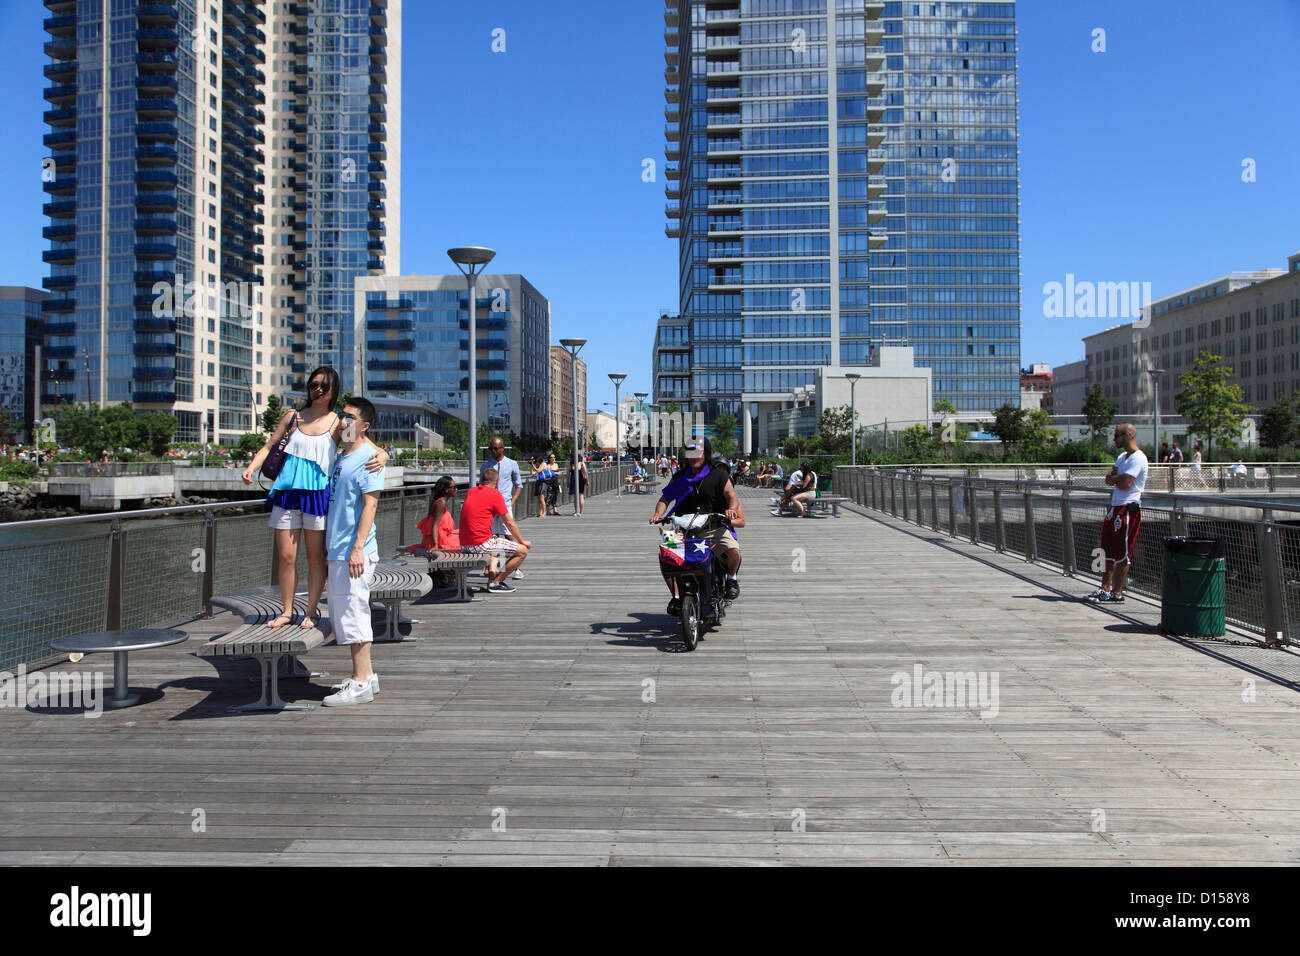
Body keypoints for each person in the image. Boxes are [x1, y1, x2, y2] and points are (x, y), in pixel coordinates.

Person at [241, 367, 386, 629]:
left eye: (324, 386)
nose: (318, 390)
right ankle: (286, 610)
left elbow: (363, 443)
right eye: (314, 384)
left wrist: (384, 455)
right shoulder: (293, 417)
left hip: (317, 494)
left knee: (315, 557)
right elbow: (269, 446)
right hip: (287, 493)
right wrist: (251, 467)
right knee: (286, 556)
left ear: (333, 391)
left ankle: (311, 610)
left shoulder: (337, 422)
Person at [321, 398, 385, 706]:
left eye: (349, 417)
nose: (342, 421)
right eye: (341, 415)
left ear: (364, 425)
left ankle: (360, 682)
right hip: (338, 548)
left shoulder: (368, 458)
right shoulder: (345, 454)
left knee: (353, 613)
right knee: (347, 612)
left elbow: (370, 505)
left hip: (352, 551)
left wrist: (357, 548)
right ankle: (366, 676)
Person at [649, 438, 745, 614]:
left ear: (706, 454)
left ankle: (731, 578)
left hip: (713, 528)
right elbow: (665, 499)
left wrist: (731, 510)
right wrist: (658, 514)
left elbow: (731, 495)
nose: (694, 457)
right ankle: (677, 597)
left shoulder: (719, 475)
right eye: (690, 453)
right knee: (666, 558)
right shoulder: (680, 477)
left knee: (733, 550)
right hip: (683, 530)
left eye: (698, 452)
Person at [1087, 422, 1148, 604]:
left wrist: (1118, 478)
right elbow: (1110, 477)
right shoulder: (1122, 457)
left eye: (1117, 435)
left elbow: (1125, 484)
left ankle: (1118, 592)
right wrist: (1117, 477)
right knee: (1107, 549)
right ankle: (1104, 589)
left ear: (1128, 436)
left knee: (1123, 552)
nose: (1114, 439)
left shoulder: (1138, 458)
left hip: (1128, 508)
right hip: (1115, 507)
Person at [459, 466, 531, 593]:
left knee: (497, 542)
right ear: (497, 482)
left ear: (481, 480)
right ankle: (495, 583)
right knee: (522, 551)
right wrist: (522, 541)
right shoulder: (495, 494)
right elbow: (509, 522)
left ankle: (494, 576)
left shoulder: (472, 491)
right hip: (479, 544)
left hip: (465, 544)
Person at [481, 437, 524, 578]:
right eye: (491, 448)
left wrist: (512, 501)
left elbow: (519, 485)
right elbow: (481, 486)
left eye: (496, 448)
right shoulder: (486, 466)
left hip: (505, 503)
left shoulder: (512, 464)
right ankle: (492, 566)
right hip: (489, 506)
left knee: (509, 533)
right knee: (492, 536)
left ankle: (516, 566)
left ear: (502, 448)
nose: (493, 451)